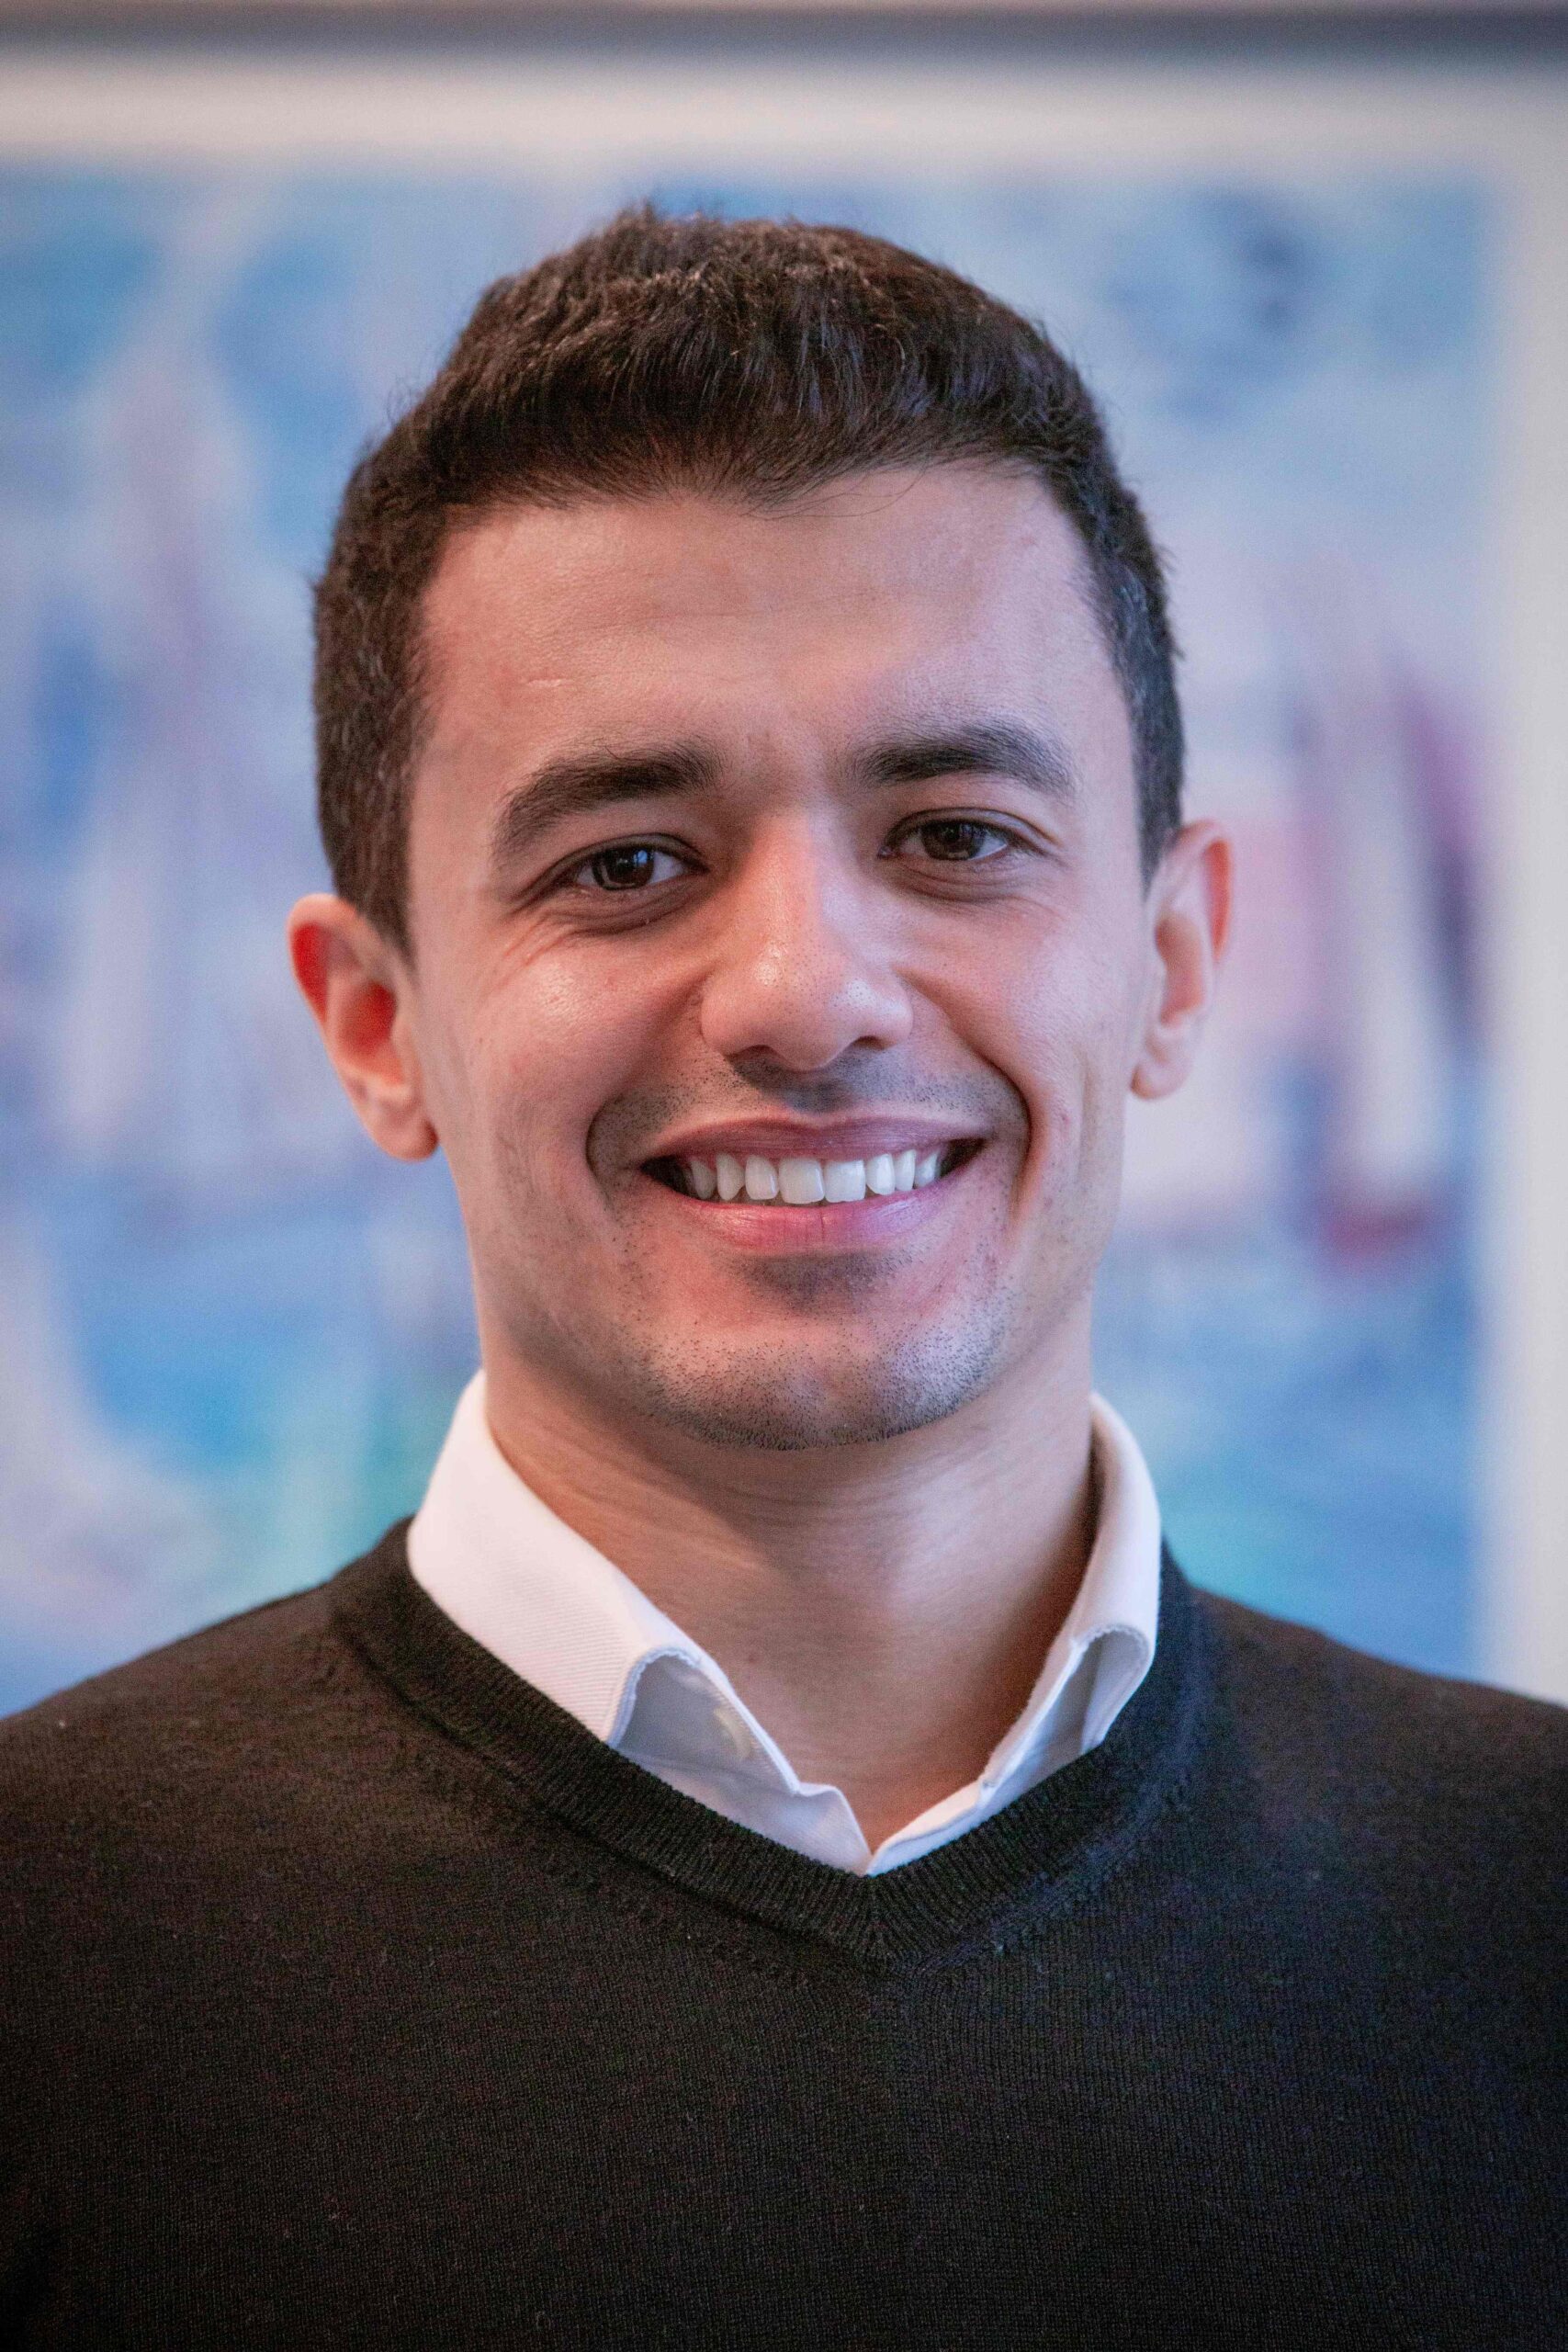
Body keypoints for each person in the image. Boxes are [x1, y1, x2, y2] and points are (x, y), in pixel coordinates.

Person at [1, 209, 1562, 2350]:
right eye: (626, 861)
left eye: (952, 835)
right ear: (375, 1026)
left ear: (1172, 961)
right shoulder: (39, 1941)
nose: (809, 995)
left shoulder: (1528, 1905)